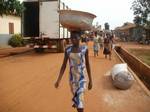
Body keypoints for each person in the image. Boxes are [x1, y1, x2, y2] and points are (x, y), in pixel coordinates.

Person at [55, 31, 92, 112]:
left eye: (75, 37)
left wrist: (90, 80)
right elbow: (63, 66)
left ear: (80, 38)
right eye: (71, 37)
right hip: (72, 80)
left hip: (82, 79)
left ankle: (78, 103)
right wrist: (58, 80)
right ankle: (77, 101)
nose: (73, 39)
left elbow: (88, 65)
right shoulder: (68, 50)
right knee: (77, 97)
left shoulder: (84, 49)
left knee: (80, 104)